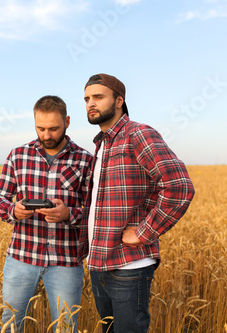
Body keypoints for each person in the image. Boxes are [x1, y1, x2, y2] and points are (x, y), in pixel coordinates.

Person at [80, 73, 195, 333]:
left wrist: (144, 233)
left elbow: (179, 187)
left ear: (119, 100)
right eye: (87, 98)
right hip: (99, 264)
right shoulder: (102, 145)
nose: (90, 103)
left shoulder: (139, 134)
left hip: (129, 266)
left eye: (98, 97)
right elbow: (101, 205)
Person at [0, 95, 93, 332]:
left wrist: (68, 214)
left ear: (67, 122)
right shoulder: (18, 156)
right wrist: (14, 210)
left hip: (66, 261)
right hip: (21, 257)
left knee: (66, 327)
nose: (47, 135)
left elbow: (95, 212)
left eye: (54, 129)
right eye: (41, 128)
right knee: (10, 325)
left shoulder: (85, 160)